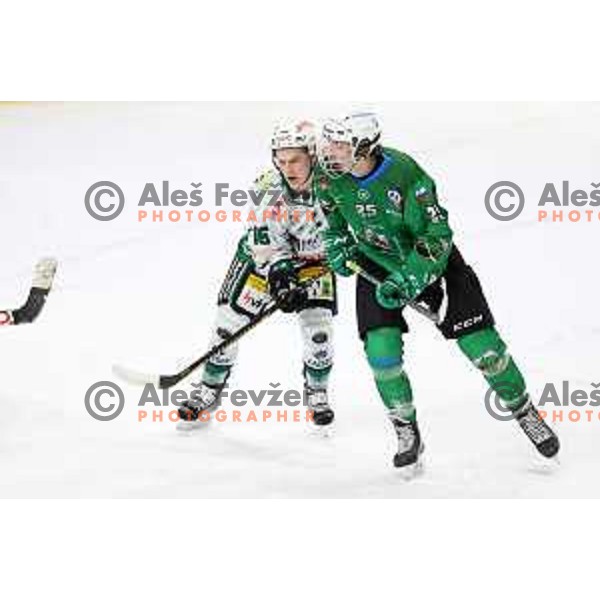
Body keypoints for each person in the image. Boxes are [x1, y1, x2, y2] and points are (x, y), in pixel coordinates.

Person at [315, 112, 559, 472]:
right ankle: (406, 428)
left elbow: (437, 236)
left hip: (431, 263)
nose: (330, 153)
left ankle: (523, 410)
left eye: (340, 146)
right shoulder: (328, 181)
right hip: (376, 263)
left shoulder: (406, 174)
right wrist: (337, 245)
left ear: (365, 147)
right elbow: (334, 224)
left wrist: (412, 279)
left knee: (486, 351)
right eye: (329, 144)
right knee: (381, 354)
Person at [178, 120, 336, 429]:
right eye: (281, 159)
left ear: (313, 155)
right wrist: (281, 278)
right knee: (227, 327)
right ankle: (209, 389)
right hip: (262, 262)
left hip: (315, 264)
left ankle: (316, 390)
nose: (287, 167)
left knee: (319, 334)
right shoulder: (268, 188)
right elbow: (263, 243)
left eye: (295, 159)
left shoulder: (335, 185)